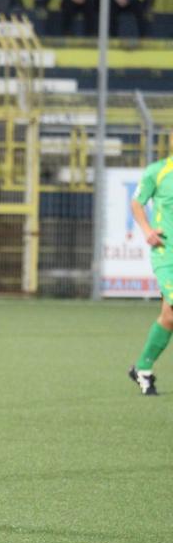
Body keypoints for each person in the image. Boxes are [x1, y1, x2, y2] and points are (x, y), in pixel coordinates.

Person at [128, 155, 173, 396]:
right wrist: (147, 230)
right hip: (167, 254)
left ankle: (142, 368)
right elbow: (137, 202)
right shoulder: (158, 171)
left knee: (169, 316)